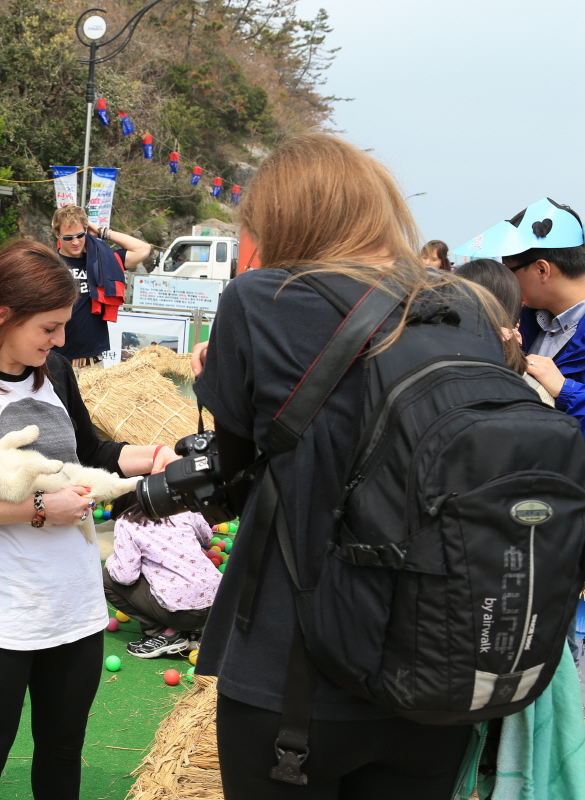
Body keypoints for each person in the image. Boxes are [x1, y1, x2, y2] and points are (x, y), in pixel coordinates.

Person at [190, 133, 514, 799]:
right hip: (435, 669)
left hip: (292, 667)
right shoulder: (468, 310)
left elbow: (232, 475)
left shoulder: (259, 301)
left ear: (283, 217)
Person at [0, 239, 176, 800]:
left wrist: (150, 454)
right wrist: (40, 510)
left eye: (62, 326)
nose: (61, 341)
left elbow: (89, 453)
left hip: (71, 606)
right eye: (48, 328)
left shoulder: (53, 371)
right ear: (3, 314)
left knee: (62, 750)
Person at [464, 198, 585, 433]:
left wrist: (565, 390)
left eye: (509, 271)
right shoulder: (527, 321)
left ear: (542, 269)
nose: (507, 281)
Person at [103, 508, 217, 658]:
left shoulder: (127, 520)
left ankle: (165, 634)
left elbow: (126, 576)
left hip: (184, 614)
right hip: (215, 607)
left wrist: (111, 561)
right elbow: (206, 537)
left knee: (107, 577)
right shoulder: (182, 507)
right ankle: (192, 632)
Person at [50, 205, 151, 367]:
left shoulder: (102, 260)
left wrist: (102, 232)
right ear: (57, 234)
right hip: (55, 360)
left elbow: (143, 249)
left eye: (80, 235)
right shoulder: (48, 264)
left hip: (92, 361)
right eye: (68, 237)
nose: (75, 242)